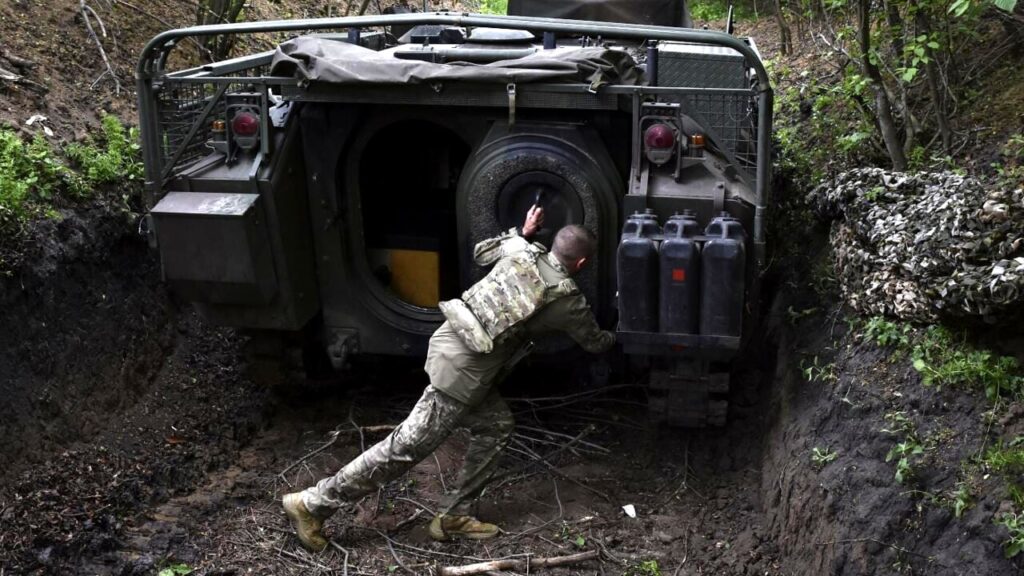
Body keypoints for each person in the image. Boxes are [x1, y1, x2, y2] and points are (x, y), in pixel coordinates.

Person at [282, 206, 615, 551]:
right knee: (405, 448)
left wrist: (524, 232)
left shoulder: (522, 249)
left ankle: (455, 516)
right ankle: (312, 504)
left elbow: (481, 251)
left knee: (496, 425)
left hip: (450, 346)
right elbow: (595, 342)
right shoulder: (566, 300)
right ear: (580, 265)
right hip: (462, 376)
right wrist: (619, 333)